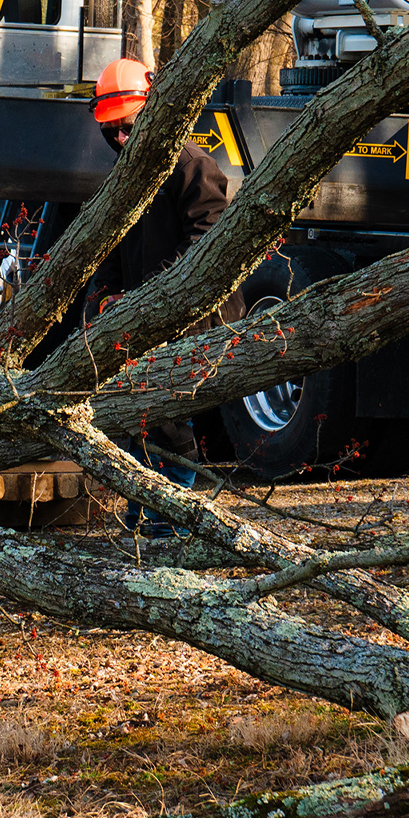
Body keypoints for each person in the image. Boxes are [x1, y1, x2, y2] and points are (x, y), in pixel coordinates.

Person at [88, 58, 230, 536]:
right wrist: (104, 298)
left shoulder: (193, 166)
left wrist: (162, 298)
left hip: (191, 321)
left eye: (128, 127)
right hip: (138, 324)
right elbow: (104, 252)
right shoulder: (121, 179)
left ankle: (173, 519)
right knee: (138, 420)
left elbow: (209, 242)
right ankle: (146, 511)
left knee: (169, 422)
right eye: (113, 131)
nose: (122, 138)